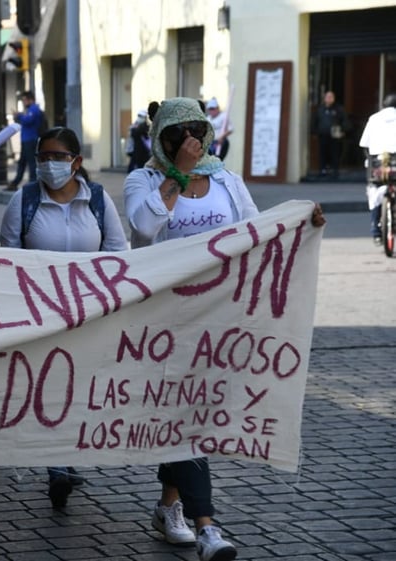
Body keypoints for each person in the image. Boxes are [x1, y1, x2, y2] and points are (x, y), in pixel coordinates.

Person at [123, 97, 325, 561]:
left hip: (220, 320)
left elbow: (257, 231)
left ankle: (168, 506)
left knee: (191, 415)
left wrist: (301, 223)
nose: (191, 142)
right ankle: (207, 526)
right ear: (163, 138)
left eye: (197, 131)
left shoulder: (225, 181)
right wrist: (177, 173)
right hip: (165, 322)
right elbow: (143, 228)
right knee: (184, 415)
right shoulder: (145, 179)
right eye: (180, 134)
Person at [0, 126, 128, 509]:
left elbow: (118, 252)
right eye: (42, 157)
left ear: (76, 162)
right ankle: (57, 464)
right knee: (50, 388)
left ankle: (67, 453)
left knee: (80, 388)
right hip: (40, 314)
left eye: (57, 157)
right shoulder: (23, 202)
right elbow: (8, 261)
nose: (49, 165)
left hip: (88, 313)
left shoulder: (98, 201)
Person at [358, 93, 396, 244]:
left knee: (374, 191)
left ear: (383, 105)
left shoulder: (374, 118)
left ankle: (375, 230)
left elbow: (364, 144)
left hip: (377, 164)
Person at [7, 91, 45, 191]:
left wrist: (19, 115)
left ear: (30, 99)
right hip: (26, 139)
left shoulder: (34, 109)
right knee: (22, 162)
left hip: (30, 139)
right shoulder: (29, 110)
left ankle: (33, 183)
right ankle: (15, 182)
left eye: (24, 100)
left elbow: (28, 120)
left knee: (31, 162)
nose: (23, 102)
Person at [311, 90, 349, 178]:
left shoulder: (338, 109)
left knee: (335, 153)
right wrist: (314, 132)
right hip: (323, 134)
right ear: (324, 98)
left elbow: (344, 121)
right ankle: (322, 170)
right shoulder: (320, 110)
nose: (329, 99)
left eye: (331, 97)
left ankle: (335, 170)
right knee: (322, 153)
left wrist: (343, 130)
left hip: (335, 135)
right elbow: (314, 121)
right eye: (327, 97)